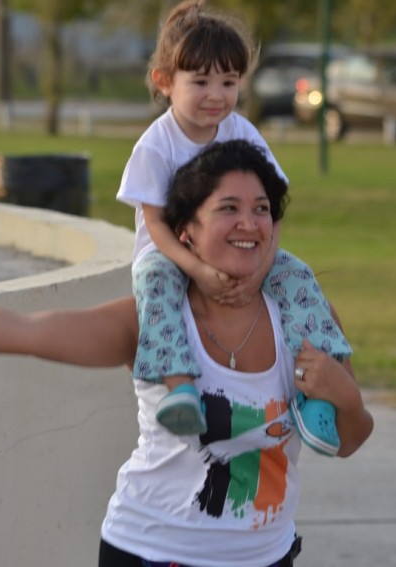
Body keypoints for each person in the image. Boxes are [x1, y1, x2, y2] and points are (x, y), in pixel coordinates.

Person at [0, 139, 374, 567]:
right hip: (154, 553)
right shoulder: (153, 324)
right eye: (228, 208)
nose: (249, 223)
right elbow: (26, 331)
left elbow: (350, 439)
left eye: (262, 210)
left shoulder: (303, 320)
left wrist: (345, 395)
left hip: (267, 558)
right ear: (188, 232)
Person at [117, 0, 347, 449]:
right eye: (200, 81)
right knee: (152, 281)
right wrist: (198, 270)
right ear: (165, 82)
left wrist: (261, 268)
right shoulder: (156, 146)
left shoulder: (242, 132)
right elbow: (157, 226)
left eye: (228, 81)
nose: (216, 95)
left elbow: (273, 208)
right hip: (173, 257)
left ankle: (316, 393)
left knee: (298, 277)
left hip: (243, 252)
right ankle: (181, 386)